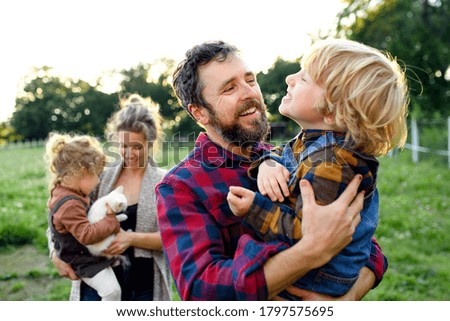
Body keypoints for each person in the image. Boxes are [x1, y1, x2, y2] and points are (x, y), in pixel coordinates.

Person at [155, 40, 388, 301]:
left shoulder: (292, 156)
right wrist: (311, 251)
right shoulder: (181, 186)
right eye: (230, 88)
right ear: (199, 113)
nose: (249, 93)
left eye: (250, 80)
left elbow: (361, 236)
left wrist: (346, 298)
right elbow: (202, 291)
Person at [227, 38, 408, 299]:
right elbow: (282, 154)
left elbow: (309, 236)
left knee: (242, 263)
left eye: (304, 79)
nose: (290, 78)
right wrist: (267, 164)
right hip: (318, 269)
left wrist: (253, 209)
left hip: (316, 279)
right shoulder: (314, 140)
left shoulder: (334, 164)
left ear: (333, 111)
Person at [49, 94, 172, 301]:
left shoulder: (164, 182)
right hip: (97, 284)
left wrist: (131, 239)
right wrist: (54, 254)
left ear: (150, 143)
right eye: (124, 146)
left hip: (145, 287)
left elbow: (173, 237)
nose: (129, 153)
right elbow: (61, 213)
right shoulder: (98, 177)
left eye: (137, 147)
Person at [45, 133, 122, 301]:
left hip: (84, 255)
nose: (98, 181)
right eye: (95, 175)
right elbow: (86, 235)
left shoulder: (65, 192)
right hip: (82, 260)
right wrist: (111, 221)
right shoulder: (70, 204)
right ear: (82, 172)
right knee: (112, 292)